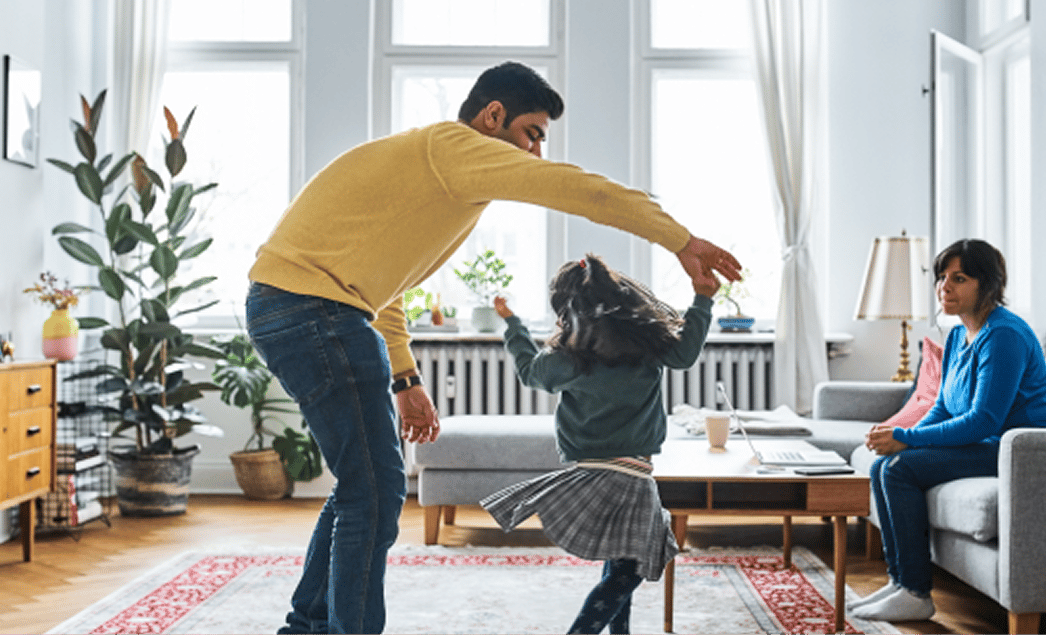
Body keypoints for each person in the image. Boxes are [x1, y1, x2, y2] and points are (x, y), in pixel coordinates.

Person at [245, 62, 742, 635]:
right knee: (376, 497)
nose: (534, 154)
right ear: (494, 116)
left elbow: (382, 284)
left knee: (360, 489)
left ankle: (306, 629)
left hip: (300, 308)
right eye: (532, 133)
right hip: (316, 313)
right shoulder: (456, 149)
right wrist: (680, 240)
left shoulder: (432, 169)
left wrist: (405, 379)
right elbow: (584, 190)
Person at [481, 254, 718, 634]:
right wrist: (702, 298)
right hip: (631, 475)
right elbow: (685, 353)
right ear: (621, 301)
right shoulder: (646, 346)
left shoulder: (569, 358)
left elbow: (528, 371)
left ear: (566, 313)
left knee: (621, 562)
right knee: (627, 571)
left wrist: (512, 323)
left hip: (591, 475)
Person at [849, 238, 1046, 623]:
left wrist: (908, 440)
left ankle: (915, 592)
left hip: (1020, 451)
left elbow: (984, 421)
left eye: (959, 278)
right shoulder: (961, 335)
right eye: (942, 277)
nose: (944, 287)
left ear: (989, 284)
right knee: (885, 465)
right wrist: (901, 437)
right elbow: (944, 406)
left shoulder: (1004, 335)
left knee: (900, 469)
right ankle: (900, 582)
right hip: (987, 443)